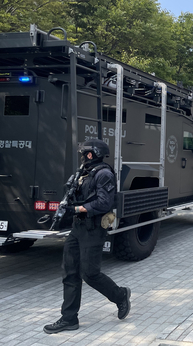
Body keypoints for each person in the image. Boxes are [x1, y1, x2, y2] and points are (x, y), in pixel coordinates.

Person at [44, 139, 131, 334]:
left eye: (84, 154)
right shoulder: (82, 173)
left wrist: (76, 208)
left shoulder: (104, 174)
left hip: (93, 229)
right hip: (78, 228)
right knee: (70, 272)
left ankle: (120, 295)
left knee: (90, 274)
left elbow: (104, 203)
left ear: (91, 154)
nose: (82, 157)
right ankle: (69, 319)